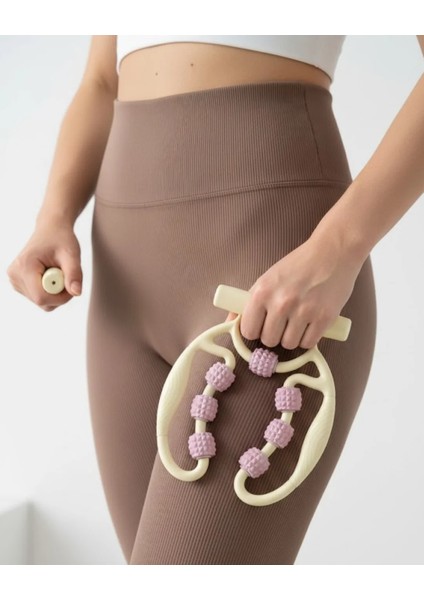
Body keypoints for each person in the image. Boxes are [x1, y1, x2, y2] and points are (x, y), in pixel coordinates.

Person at [6, 35, 424, 565]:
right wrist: (53, 215)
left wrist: (336, 251)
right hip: (123, 291)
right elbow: (101, 81)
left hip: (271, 271)